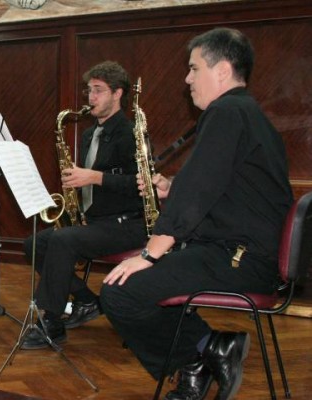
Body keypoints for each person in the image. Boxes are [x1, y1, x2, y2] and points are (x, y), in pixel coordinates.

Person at [100, 28, 292, 400]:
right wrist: (173, 187)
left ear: (221, 70)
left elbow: (200, 191)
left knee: (120, 293)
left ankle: (196, 358)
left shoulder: (226, 112)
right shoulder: (243, 112)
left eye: (193, 68)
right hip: (246, 253)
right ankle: (208, 349)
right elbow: (220, 186)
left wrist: (148, 254)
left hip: (240, 258)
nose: (187, 78)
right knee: (138, 287)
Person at [20, 61, 148, 349]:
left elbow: (141, 186)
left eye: (98, 91)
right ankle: (89, 301)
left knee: (64, 240)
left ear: (118, 94)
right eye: (89, 90)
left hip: (127, 223)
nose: (90, 98)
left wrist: (95, 177)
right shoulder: (90, 134)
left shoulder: (131, 134)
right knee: (33, 244)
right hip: (97, 222)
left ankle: (51, 321)